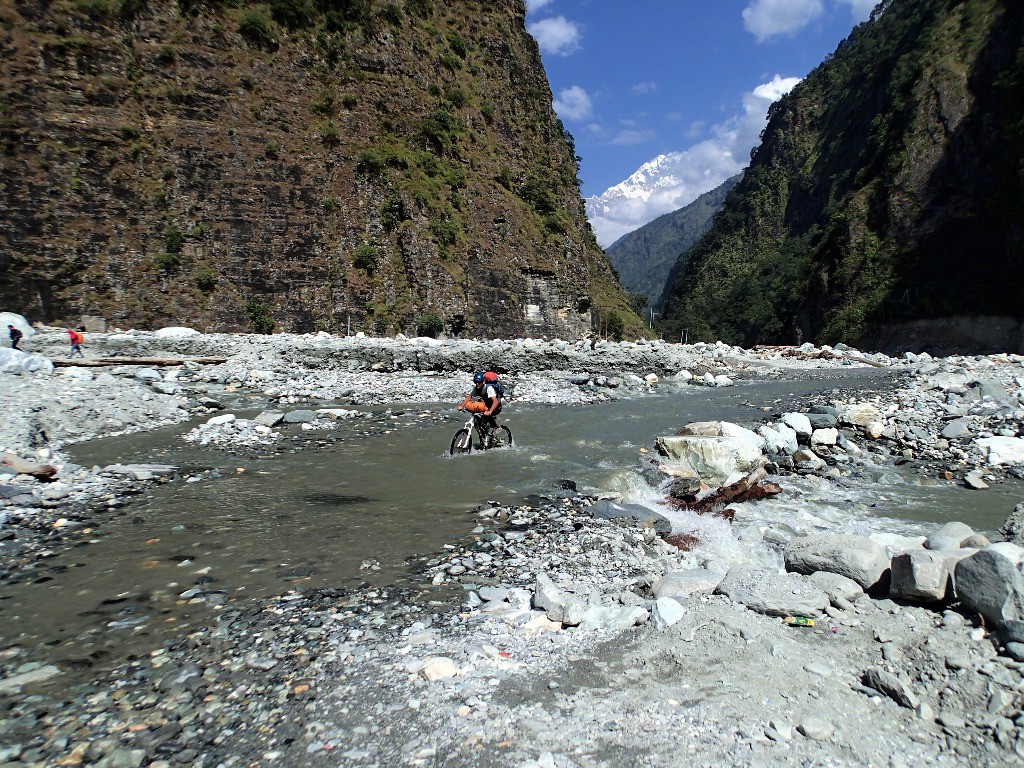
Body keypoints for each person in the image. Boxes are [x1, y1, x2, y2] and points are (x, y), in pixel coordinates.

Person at [457, 371, 503, 438]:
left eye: (479, 382)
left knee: (486, 416)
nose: (477, 384)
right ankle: (483, 439)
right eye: (476, 382)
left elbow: (495, 402)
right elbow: (469, 397)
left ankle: (496, 427)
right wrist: (461, 406)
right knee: (478, 421)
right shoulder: (476, 388)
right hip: (487, 405)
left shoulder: (489, 388)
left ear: (483, 382)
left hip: (496, 406)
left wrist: (490, 411)